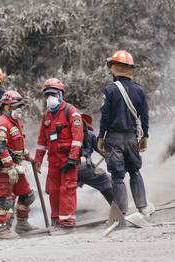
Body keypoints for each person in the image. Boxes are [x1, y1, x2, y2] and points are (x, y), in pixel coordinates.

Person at [97, 50, 154, 215]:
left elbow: (105, 117)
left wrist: (101, 136)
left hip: (114, 139)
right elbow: (145, 117)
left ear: (114, 68)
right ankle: (143, 208)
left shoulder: (109, 90)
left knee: (117, 176)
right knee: (135, 171)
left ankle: (122, 212)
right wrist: (145, 136)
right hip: (131, 138)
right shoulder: (139, 90)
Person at [34, 78, 83, 232]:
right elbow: (42, 140)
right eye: (47, 95)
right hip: (53, 160)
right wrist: (38, 160)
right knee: (53, 190)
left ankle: (68, 225)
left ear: (60, 94)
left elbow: (78, 138)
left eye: (53, 94)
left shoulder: (71, 111)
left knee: (67, 190)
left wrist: (73, 158)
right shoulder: (47, 116)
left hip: (67, 159)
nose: (50, 98)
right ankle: (56, 222)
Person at [0, 91, 37, 239]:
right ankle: (0, 230)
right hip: (5, 170)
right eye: (16, 106)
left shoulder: (15, 123)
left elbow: (17, 145)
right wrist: (10, 166)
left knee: (27, 196)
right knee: (4, 201)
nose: (20, 109)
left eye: (20, 106)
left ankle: (22, 224)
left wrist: (28, 156)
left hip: (17, 169)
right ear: (6, 108)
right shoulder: (2, 124)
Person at [78, 114, 114, 205]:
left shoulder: (65, 132)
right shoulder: (89, 134)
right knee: (105, 179)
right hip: (76, 165)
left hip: (62, 166)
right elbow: (102, 151)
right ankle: (119, 208)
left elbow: (102, 151)